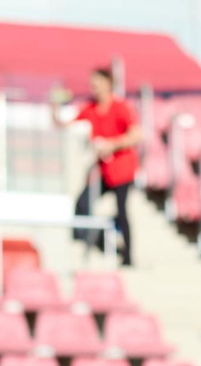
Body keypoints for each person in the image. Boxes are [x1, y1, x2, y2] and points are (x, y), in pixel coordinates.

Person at [52, 67, 140, 266]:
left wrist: (112, 145)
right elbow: (63, 124)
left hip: (122, 169)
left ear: (108, 84)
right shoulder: (90, 108)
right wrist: (55, 105)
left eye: (98, 83)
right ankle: (84, 240)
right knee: (82, 201)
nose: (94, 87)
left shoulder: (120, 107)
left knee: (122, 210)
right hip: (104, 171)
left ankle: (128, 256)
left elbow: (136, 135)